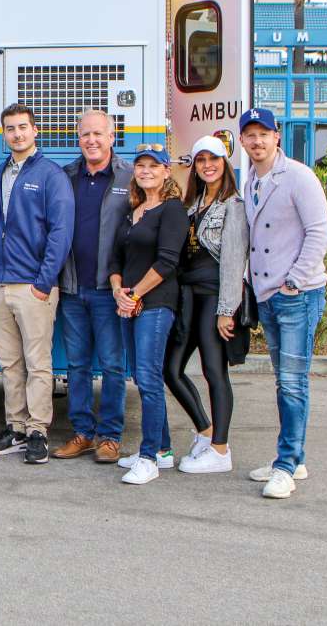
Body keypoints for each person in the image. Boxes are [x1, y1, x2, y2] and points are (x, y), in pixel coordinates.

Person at [239, 107, 327, 499]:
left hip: (296, 295)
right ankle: (295, 458)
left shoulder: (298, 177)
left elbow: (320, 232)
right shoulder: (251, 181)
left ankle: (286, 465)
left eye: (264, 134)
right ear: (242, 141)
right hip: (268, 297)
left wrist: (294, 280)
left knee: (293, 383)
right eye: (250, 135)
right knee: (283, 382)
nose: (257, 141)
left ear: (277, 136)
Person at [0, 104, 74, 465]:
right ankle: (16, 427)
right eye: (10, 128)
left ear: (35, 131)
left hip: (33, 286)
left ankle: (38, 431)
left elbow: (60, 232)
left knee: (39, 362)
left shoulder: (51, 175)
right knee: (9, 364)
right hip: (0, 284)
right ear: (3, 135)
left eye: (23, 127)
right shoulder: (0, 173)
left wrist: (44, 281)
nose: (17, 134)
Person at [52, 110, 134, 464]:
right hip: (72, 288)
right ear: (78, 138)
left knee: (114, 365)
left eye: (98, 134)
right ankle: (83, 433)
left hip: (109, 290)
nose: (92, 140)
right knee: (77, 365)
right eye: (85, 134)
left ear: (112, 136)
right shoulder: (66, 176)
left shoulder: (129, 176)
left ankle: (110, 437)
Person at [167, 135, 250, 474]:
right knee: (170, 369)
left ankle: (220, 449)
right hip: (188, 296)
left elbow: (233, 260)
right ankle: (205, 431)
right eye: (200, 160)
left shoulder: (234, 205)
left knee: (214, 371)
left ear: (224, 163)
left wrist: (227, 310)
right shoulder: (192, 203)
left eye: (213, 159)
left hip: (215, 296)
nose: (207, 165)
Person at [109, 143, 189, 485]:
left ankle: (147, 457)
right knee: (143, 378)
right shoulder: (134, 210)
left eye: (153, 166)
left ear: (166, 171)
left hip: (156, 304)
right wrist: (118, 290)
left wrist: (135, 294)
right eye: (140, 166)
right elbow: (116, 259)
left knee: (149, 377)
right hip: (128, 301)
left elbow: (167, 262)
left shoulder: (172, 211)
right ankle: (164, 451)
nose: (145, 171)